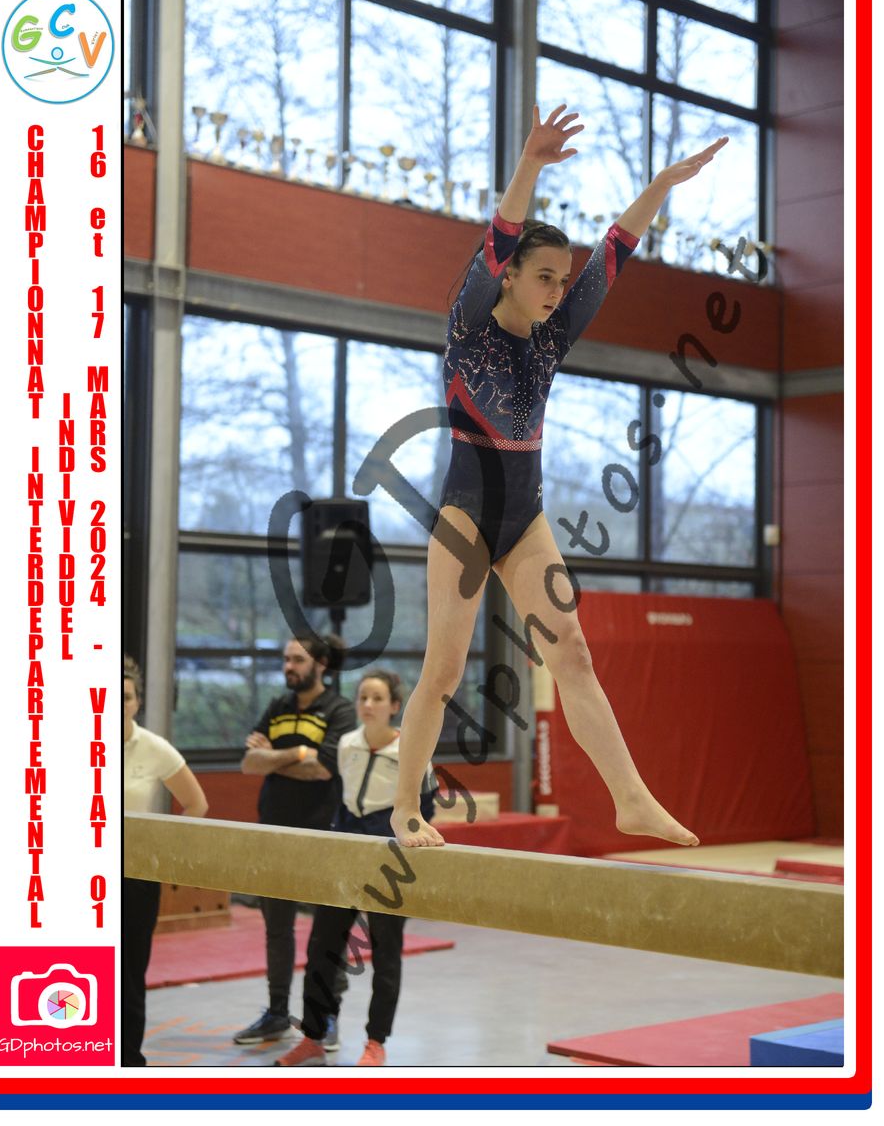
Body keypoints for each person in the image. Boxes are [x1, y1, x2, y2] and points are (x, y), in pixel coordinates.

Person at [390, 104, 728, 849]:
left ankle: (631, 799)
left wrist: (662, 185)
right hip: (467, 514)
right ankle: (406, 808)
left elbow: (615, 253)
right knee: (443, 670)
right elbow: (499, 234)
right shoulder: (469, 326)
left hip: (526, 516)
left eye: (561, 280)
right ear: (506, 277)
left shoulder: (550, 340)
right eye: (543, 276)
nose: (555, 290)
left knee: (570, 649)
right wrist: (530, 165)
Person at [274, 669, 437, 1067]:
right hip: (346, 851)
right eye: (363, 697)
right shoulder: (347, 744)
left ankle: (376, 1041)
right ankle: (313, 1038)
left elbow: (426, 810)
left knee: (386, 951)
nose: (368, 705)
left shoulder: (413, 751)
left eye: (377, 698)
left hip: (389, 854)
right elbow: (341, 797)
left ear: (395, 706)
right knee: (321, 947)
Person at [232, 634, 356, 1049]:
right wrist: (300, 753)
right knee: (277, 929)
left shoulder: (339, 711)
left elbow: (324, 770)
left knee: (328, 931)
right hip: (274, 831)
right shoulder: (277, 707)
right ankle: (276, 1013)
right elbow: (249, 763)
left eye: (298, 660)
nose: (289, 667)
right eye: (286, 659)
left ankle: (326, 1016)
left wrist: (275, 757)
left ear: (321, 664)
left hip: (323, 833)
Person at [123, 655, 208, 1066]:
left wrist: (166, 854)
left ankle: (127, 1060)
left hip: (135, 877)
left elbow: (196, 804)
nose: (115, 704)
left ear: (137, 702)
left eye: (125, 697)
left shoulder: (153, 748)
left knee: (127, 972)